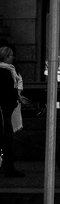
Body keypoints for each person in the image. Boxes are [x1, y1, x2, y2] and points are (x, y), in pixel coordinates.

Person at [0, 43, 25, 178]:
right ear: (5, 57)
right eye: (10, 55)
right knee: (7, 139)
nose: (13, 58)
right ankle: (8, 168)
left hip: (7, 109)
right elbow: (7, 92)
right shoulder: (5, 72)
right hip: (5, 110)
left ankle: (8, 166)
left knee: (7, 139)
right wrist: (17, 96)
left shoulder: (9, 70)